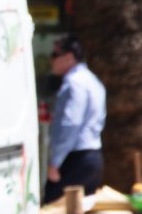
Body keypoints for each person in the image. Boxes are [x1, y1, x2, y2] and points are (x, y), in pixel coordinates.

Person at [43, 33, 106, 204]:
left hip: (75, 158)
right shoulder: (92, 80)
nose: (51, 60)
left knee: (56, 211)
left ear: (69, 57)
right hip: (93, 156)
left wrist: (55, 162)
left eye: (55, 55)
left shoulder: (73, 83)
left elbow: (71, 123)